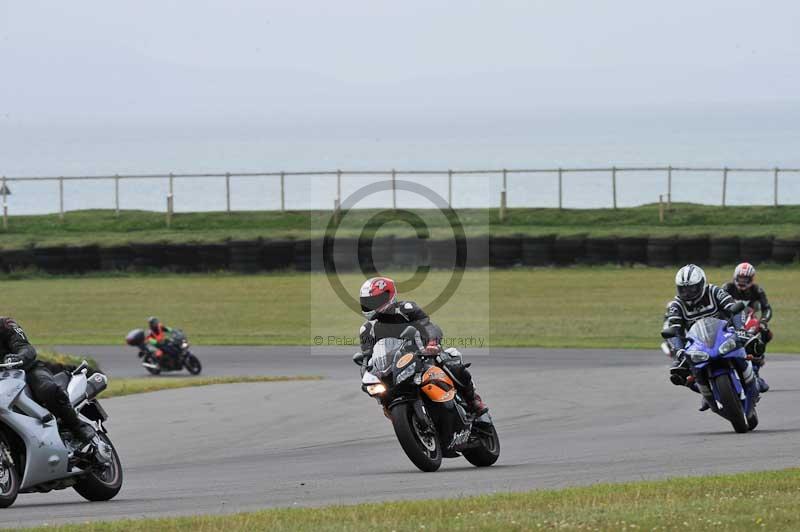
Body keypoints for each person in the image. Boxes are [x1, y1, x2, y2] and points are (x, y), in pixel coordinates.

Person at [352, 277, 488, 414]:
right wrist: (367, 376)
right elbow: (367, 358)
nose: (372, 305)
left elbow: (428, 326)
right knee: (382, 394)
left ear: (389, 295)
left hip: (422, 354)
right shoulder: (367, 329)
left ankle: (473, 400)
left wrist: (431, 344)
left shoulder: (406, 309)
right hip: (393, 370)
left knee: (452, 361)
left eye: (376, 301)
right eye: (368, 302)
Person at [661, 264, 758, 411]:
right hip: (698, 343)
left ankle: (753, 378)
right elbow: (673, 329)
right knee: (679, 373)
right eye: (683, 289)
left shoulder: (714, 291)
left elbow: (735, 308)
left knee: (751, 344)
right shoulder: (676, 304)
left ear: (701, 284)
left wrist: (741, 330)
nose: (687, 293)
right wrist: (679, 351)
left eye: (692, 288)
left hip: (724, 333)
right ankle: (706, 393)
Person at [0, 317, 96, 446]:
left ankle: (78, 427)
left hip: (26, 371)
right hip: (2, 382)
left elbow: (26, 348)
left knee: (47, 390)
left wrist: (18, 357)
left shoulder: (5, 325)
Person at [722, 262, 772, 392]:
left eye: (746, 279)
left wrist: (764, 321)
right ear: (735, 277)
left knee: (766, 332)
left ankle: (756, 366)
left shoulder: (757, 290)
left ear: (751, 279)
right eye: (740, 278)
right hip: (730, 320)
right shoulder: (727, 288)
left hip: (750, 318)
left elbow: (767, 309)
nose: (742, 281)